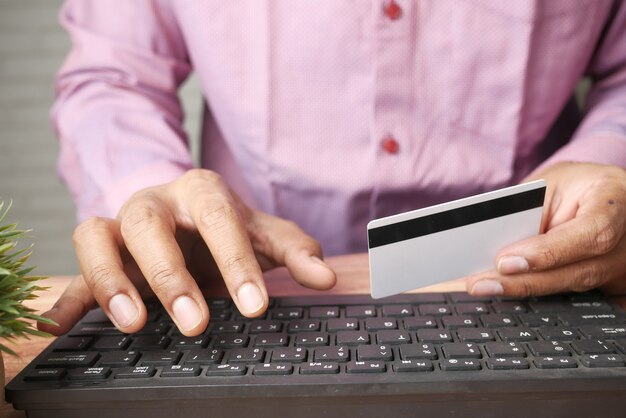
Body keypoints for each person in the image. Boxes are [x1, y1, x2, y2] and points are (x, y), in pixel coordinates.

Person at [39, 1, 626, 338]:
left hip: (548, 286)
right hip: (243, 295)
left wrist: (606, 163)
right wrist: (146, 193)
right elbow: (115, 79)